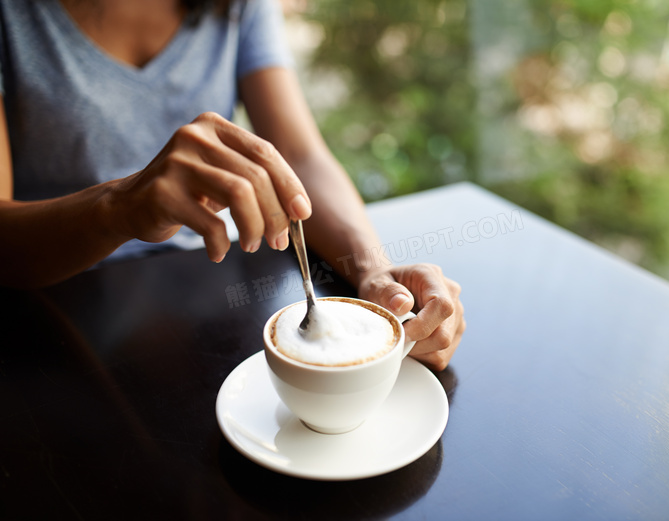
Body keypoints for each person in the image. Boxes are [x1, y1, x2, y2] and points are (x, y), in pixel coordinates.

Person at [0, 0, 465, 370]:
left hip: (211, 306)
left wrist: (372, 270)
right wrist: (120, 206)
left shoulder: (236, 5)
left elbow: (301, 156)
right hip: (52, 319)